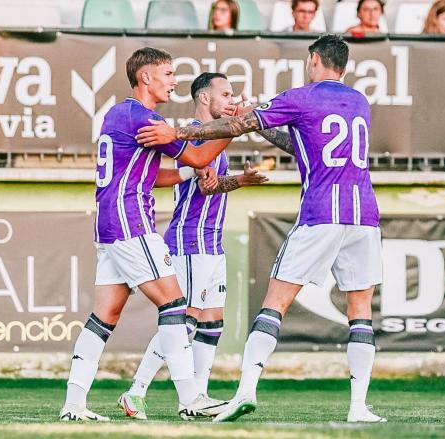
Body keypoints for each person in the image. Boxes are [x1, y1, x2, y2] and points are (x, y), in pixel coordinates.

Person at [136, 34, 386, 424]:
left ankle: (244, 392)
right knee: (361, 312)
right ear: (346, 67)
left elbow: (237, 126)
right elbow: (305, 144)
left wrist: (179, 134)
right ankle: (358, 407)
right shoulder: (359, 102)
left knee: (274, 303)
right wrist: (259, 126)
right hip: (364, 215)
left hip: (320, 213)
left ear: (314, 60)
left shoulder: (301, 96)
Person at [59, 47, 240, 422]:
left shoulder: (118, 113)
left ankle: (73, 404)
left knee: (102, 317)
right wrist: (236, 125)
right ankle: (191, 397)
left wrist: (191, 168)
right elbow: (199, 156)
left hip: (109, 226)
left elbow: (153, 175)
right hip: (131, 222)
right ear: (146, 77)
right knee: (175, 305)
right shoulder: (145, 118)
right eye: (169, 73)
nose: (174, 81)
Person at [117, 73, 269, 420]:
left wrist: (240, 180)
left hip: (212, 242)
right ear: (204, 98)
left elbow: (212, 185)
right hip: (189, 241)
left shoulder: (214, 137)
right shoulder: (189, 136)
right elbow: (199, 185)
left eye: (233, 95)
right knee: (182, 322)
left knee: (212, 321)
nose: (232, 100)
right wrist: (232, 134)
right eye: (226, 94)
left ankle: (196, 398)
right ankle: (135, 391)